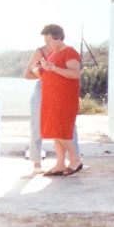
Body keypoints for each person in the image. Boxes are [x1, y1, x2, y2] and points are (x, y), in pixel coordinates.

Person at [36, 24, 83, 176]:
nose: (47, 44)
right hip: (51, 99)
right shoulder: (52, 54)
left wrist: (54, 68)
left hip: (63, 100)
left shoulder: (69, 52)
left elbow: (75, 74)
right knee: (55, 131)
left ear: (59, 38)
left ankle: (75, 160)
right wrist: (40, 70)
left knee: (62, 132)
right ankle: (60, 164)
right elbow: (51, 76)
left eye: (49, 41)